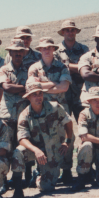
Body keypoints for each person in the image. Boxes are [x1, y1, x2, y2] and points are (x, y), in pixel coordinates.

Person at [11, 80, 73, 197]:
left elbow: (68, 122)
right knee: (17, 152)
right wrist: (36, 150)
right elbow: (22, 139)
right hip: (35, 150)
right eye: (34, 94)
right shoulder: (24, 115)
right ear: (28, 97)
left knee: (47, 188)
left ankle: (38, 177)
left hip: (52, 150)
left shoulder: (54, 107)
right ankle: (18, 188)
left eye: (40, 93)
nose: (38, 97)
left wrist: (67, 141)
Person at [28, 37, 74, 184]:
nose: (46, 50)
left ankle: (67, 171)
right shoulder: (34, 68)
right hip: (40, 110)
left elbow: (64, 87)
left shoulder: (62, 67)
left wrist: (42, 84)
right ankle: (41, 170)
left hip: (60, 110)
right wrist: (55, 84)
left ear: (54, 49)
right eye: (43, 48)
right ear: (40, 50)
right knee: (42, 140)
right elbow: (31, 88)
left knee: (66, 139)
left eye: (49, 48)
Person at [0, 39, 32, 187]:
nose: (18, 54)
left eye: (20, 51)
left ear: (24, 53)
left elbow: (32, 89)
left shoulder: (29, 70)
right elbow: (6, 87)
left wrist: (16, 87)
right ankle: (4, 180)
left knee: (26, 144)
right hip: (7, 115)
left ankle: (28, 177)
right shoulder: (4, 69)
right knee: (5, 147)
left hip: (24, 114)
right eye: (15, 51)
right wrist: (24, 87)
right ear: (10, 53)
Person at [55, 20, 89, 120]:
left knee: (86, 123)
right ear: (63, 33)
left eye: (72, 30)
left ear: (76, 32)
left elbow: (88, 68)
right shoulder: (56, 50)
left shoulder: (84, 49)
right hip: (63, 95)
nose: (70, 32)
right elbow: (57, 70)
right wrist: (79, 67)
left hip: (81, 93)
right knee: (64, 126)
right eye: (67, 30)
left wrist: (66, 67)